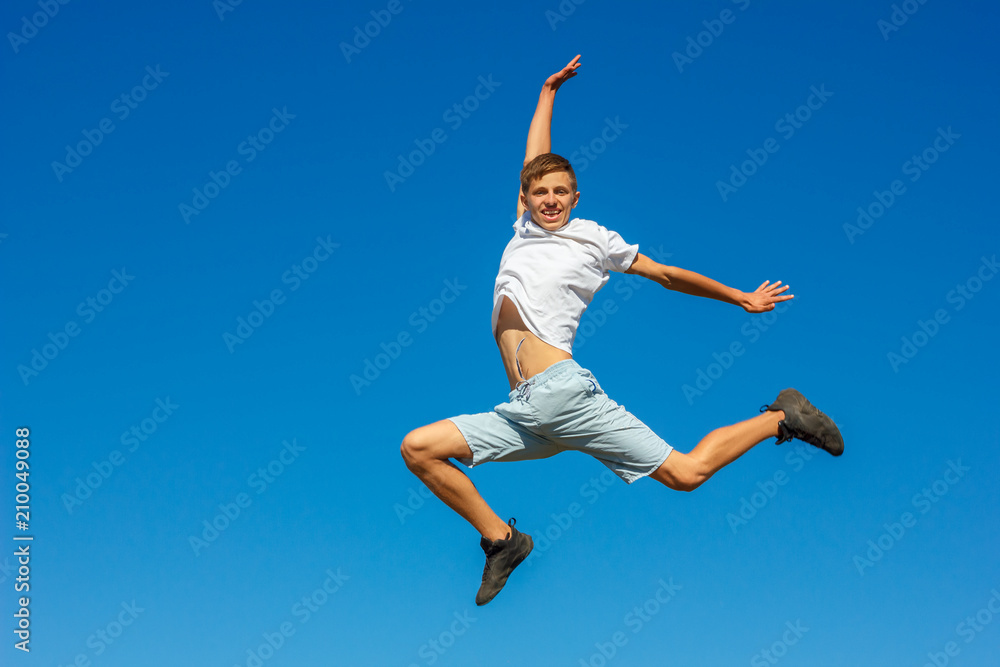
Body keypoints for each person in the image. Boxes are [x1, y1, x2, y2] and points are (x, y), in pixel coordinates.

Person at [400, 55, 843, 606]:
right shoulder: (523, 230)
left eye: (562, 192)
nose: (551, 200)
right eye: (541, 192)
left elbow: (664, 274)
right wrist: (547, 92)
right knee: (418, 448)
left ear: (575, 197)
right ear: (526, 197)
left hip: (564, 395)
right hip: (524, 412)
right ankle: (502, 541)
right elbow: (534, 158)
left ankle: (782, 416)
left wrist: (739, 296)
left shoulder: (594, 238)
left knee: (686, 474)